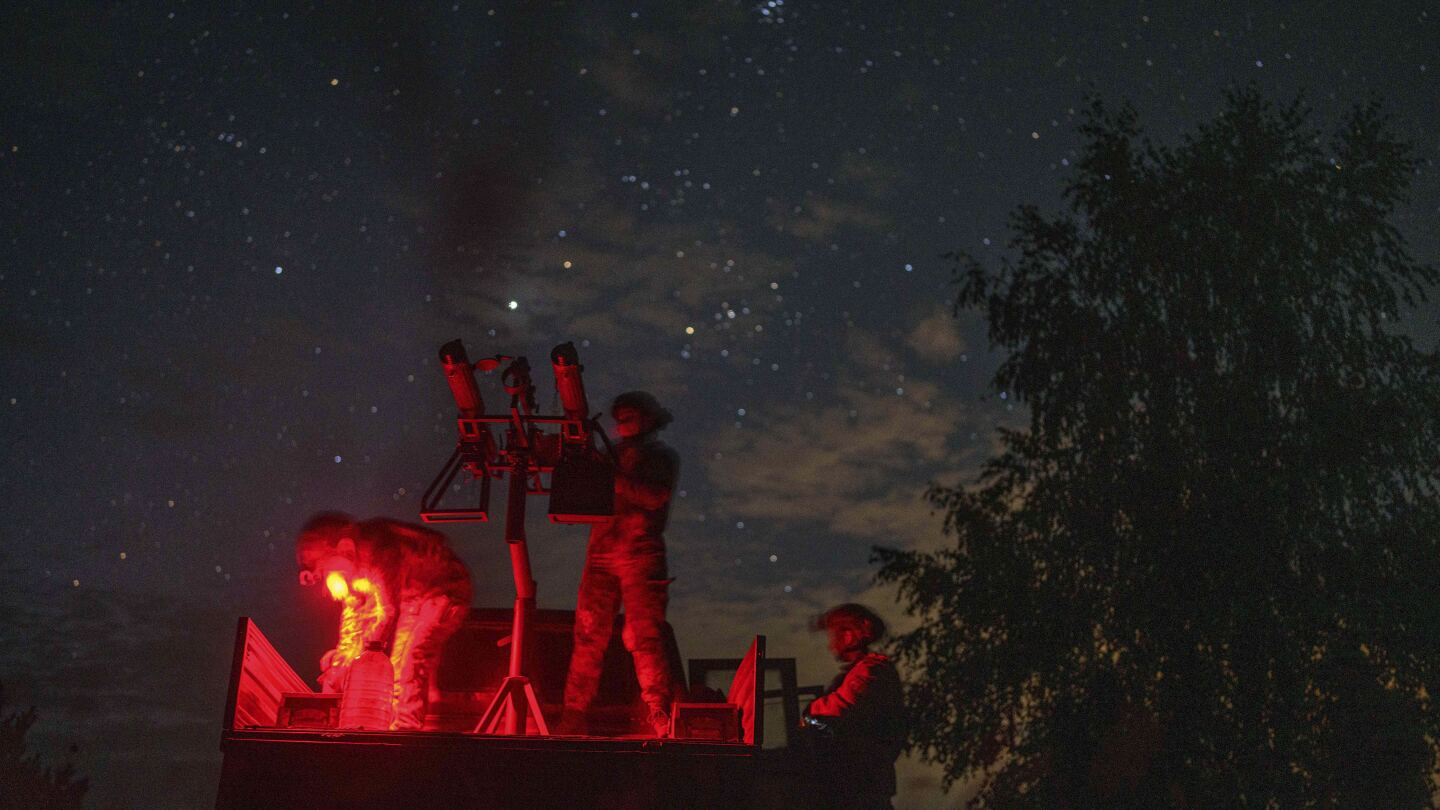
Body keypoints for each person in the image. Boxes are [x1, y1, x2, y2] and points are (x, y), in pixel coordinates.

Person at [560, 391, 681, 737]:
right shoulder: (607, 456)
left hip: (640, 553)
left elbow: (654, 496)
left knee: (645, 635)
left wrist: (609, 476)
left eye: (630, 416)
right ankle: (574, 714)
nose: (623, 423)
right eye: (620, 416)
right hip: (602, 555)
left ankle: (658, 711)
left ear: (646, 419)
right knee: (588, 634)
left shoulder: (660, 457)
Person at [296, 512, 472, 731]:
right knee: (397, 665)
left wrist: (360, 663)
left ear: (343, 548)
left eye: (324, 569)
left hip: (443, 590)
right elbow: (355, 622)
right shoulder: (350, 570)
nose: (326, 579)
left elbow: (387, 611)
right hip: (412, 599)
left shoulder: (377, 549)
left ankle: (405, 732)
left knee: (409, 662)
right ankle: (397, 728)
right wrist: (340, 666)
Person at [803, 603, 907, 810]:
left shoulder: (872, 671)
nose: (830, 645)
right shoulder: (859, 673)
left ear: (850, 635)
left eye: (834, 635)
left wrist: (809, 714)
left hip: (862, 788)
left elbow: (840, 709)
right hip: (853, 786)